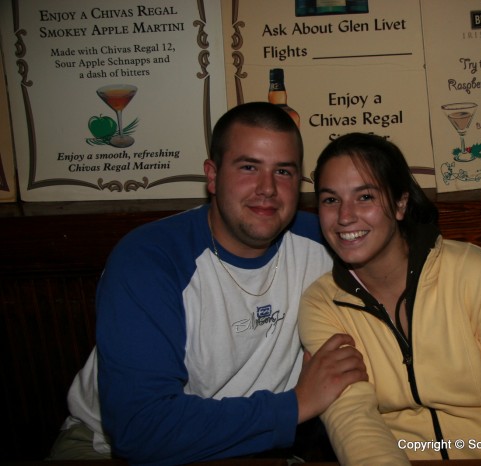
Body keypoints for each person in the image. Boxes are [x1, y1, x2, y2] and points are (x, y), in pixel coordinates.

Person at [49, 102, 367, 464]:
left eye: (283, 171)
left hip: (254, 447)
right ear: (212, 176)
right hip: (108, 451)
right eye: (249, 167)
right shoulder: (150, 259)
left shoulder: (329, 243)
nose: (267, 188)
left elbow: (404, 252)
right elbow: (141, 429)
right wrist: (295, 405)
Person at [299, 132, 481, 465]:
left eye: (364, 196)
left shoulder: (475, 274)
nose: (345, 216)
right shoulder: (322, 304)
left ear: (400, 203)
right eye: (330, 200)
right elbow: (352, 417)